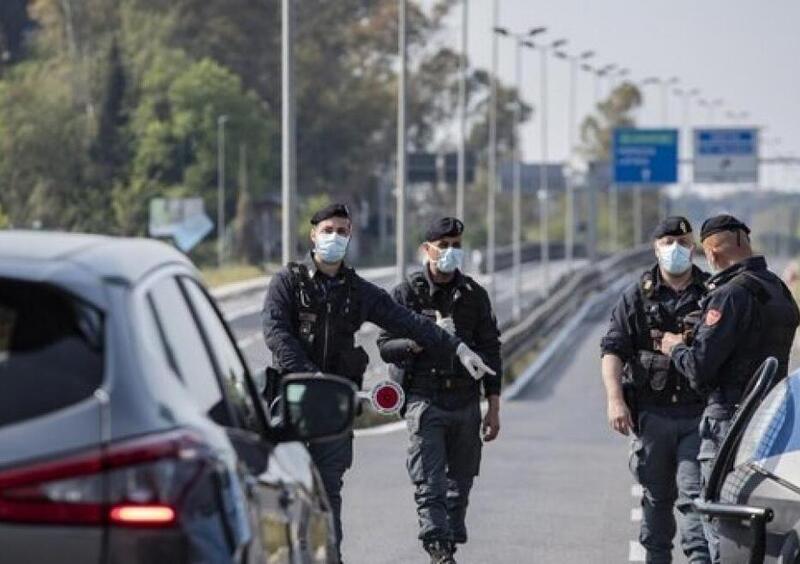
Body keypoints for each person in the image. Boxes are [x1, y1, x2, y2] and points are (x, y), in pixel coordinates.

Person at [261, 203, 494, 563]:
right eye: (328, 231)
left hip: (334, 409)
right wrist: (312, 377)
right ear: (313, 235)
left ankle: (329, 557)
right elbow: (277, 335)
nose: (335, 238)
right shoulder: (288, 282)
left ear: (350, 236)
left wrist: (458, 347)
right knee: (281, 493)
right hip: (290, 404)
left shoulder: (358, 291)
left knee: (328, 491)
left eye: (342, 232)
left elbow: (410, 323)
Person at [659, 214, 800, 562]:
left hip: (729, 426)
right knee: (757, 534)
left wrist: (675, 346)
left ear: (712, 254)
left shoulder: (730, 296)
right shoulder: (779, 290)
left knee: (721, 528)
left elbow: (699, 369)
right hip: (772, 425)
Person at [377, 217, 501, 564]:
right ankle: (438, 550)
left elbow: (491, 350)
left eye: (456, 245)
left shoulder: (474, 295)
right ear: (426, 250)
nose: (450, 252)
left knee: (459, 488)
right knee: (429, 483)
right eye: (443, 245)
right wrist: (418, 341)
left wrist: (493, 405)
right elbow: (385, 345)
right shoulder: (405, 295)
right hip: (424, 399)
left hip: (465, 401)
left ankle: (446, 541)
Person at [600, 216, 711, 564]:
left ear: (691, 247)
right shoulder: (636, 295)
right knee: (657, 499)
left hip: (698, 415)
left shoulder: (711, 293)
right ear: (655, 248)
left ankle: (699, 559)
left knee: (695, 498)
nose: (675, 249)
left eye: (681, 242)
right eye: (667, 243)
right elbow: (613, 351)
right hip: (652, 415)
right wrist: (615, 400)